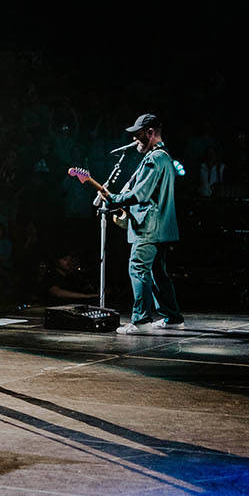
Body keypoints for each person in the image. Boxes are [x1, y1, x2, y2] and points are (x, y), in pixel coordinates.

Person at [93, 113, 182, 332]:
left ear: (150, 133)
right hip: (162, 226)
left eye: (138, 135)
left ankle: (141, 320)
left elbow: (140, 194)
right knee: (158, 272)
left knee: (138, 268)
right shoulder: (165, 157)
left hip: (149, 227)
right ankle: (172, 318)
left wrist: (114, 199)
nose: (134, 140)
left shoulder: (153, 159)